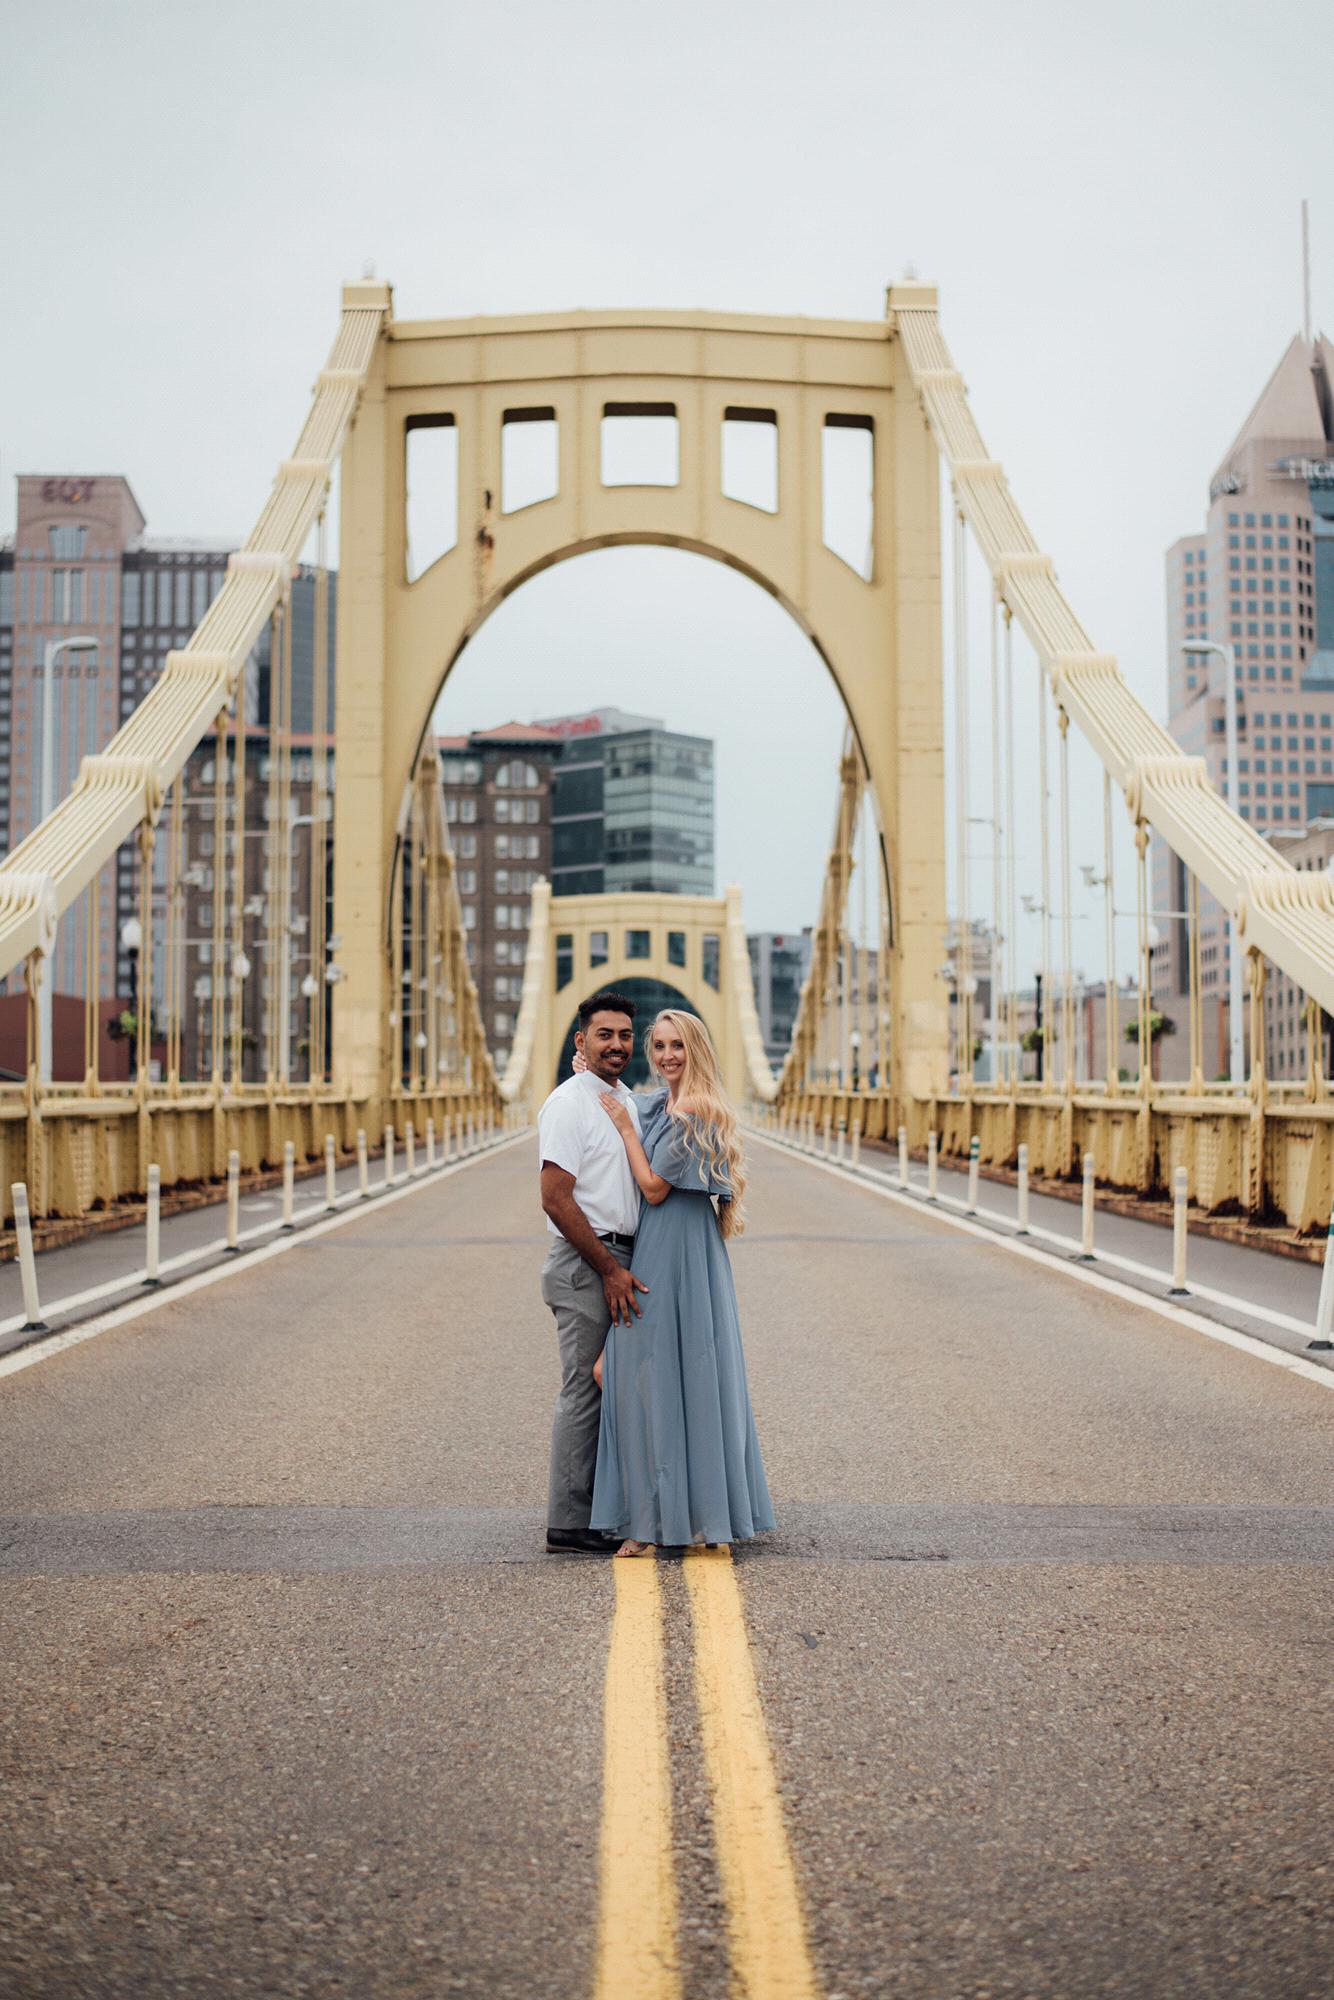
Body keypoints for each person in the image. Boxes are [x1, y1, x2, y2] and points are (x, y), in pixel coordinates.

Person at [588, 1009, 774, 1557]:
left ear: (696, 1049)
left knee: (633, 1372)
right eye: (660, 1046)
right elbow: (633, 1102)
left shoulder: (692, 1109)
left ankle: (648, 1523)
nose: (668, 1055)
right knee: (659, 1374)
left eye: (678, 1046)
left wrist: (624, 1130)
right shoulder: (666, 1102)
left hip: (675, 1249)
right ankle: (680, 1512)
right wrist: (593, 1072)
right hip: (672, 1247)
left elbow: (652, 1188)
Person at [538, 992, 650, 1555]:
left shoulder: (624, 1099)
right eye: (604, 1034)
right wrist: (608, 1268)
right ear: (580, 1042)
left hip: (620, 1262)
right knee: (584, 1387)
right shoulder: (568, 1104)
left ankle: (609, 1507)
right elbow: (555, 1200)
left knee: (620, 1389)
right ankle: (569, 1522)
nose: (617, 1045)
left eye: (626, 1035)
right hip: (589, 1263)